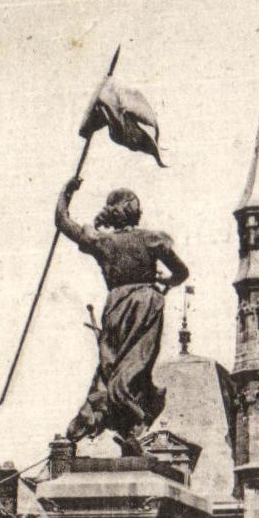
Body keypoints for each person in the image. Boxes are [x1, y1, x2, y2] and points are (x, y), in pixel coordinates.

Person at [55, 177, 189, 452]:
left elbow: (62, 221)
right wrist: (167, 282)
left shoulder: (102, 242)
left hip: (116, 307)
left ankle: (100, 418)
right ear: (135, 212)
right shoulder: (152, 239)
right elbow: (182, 272)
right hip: (146, 305)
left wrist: (67, 192)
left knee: (111, 367)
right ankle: (135, 424)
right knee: (136, 368)